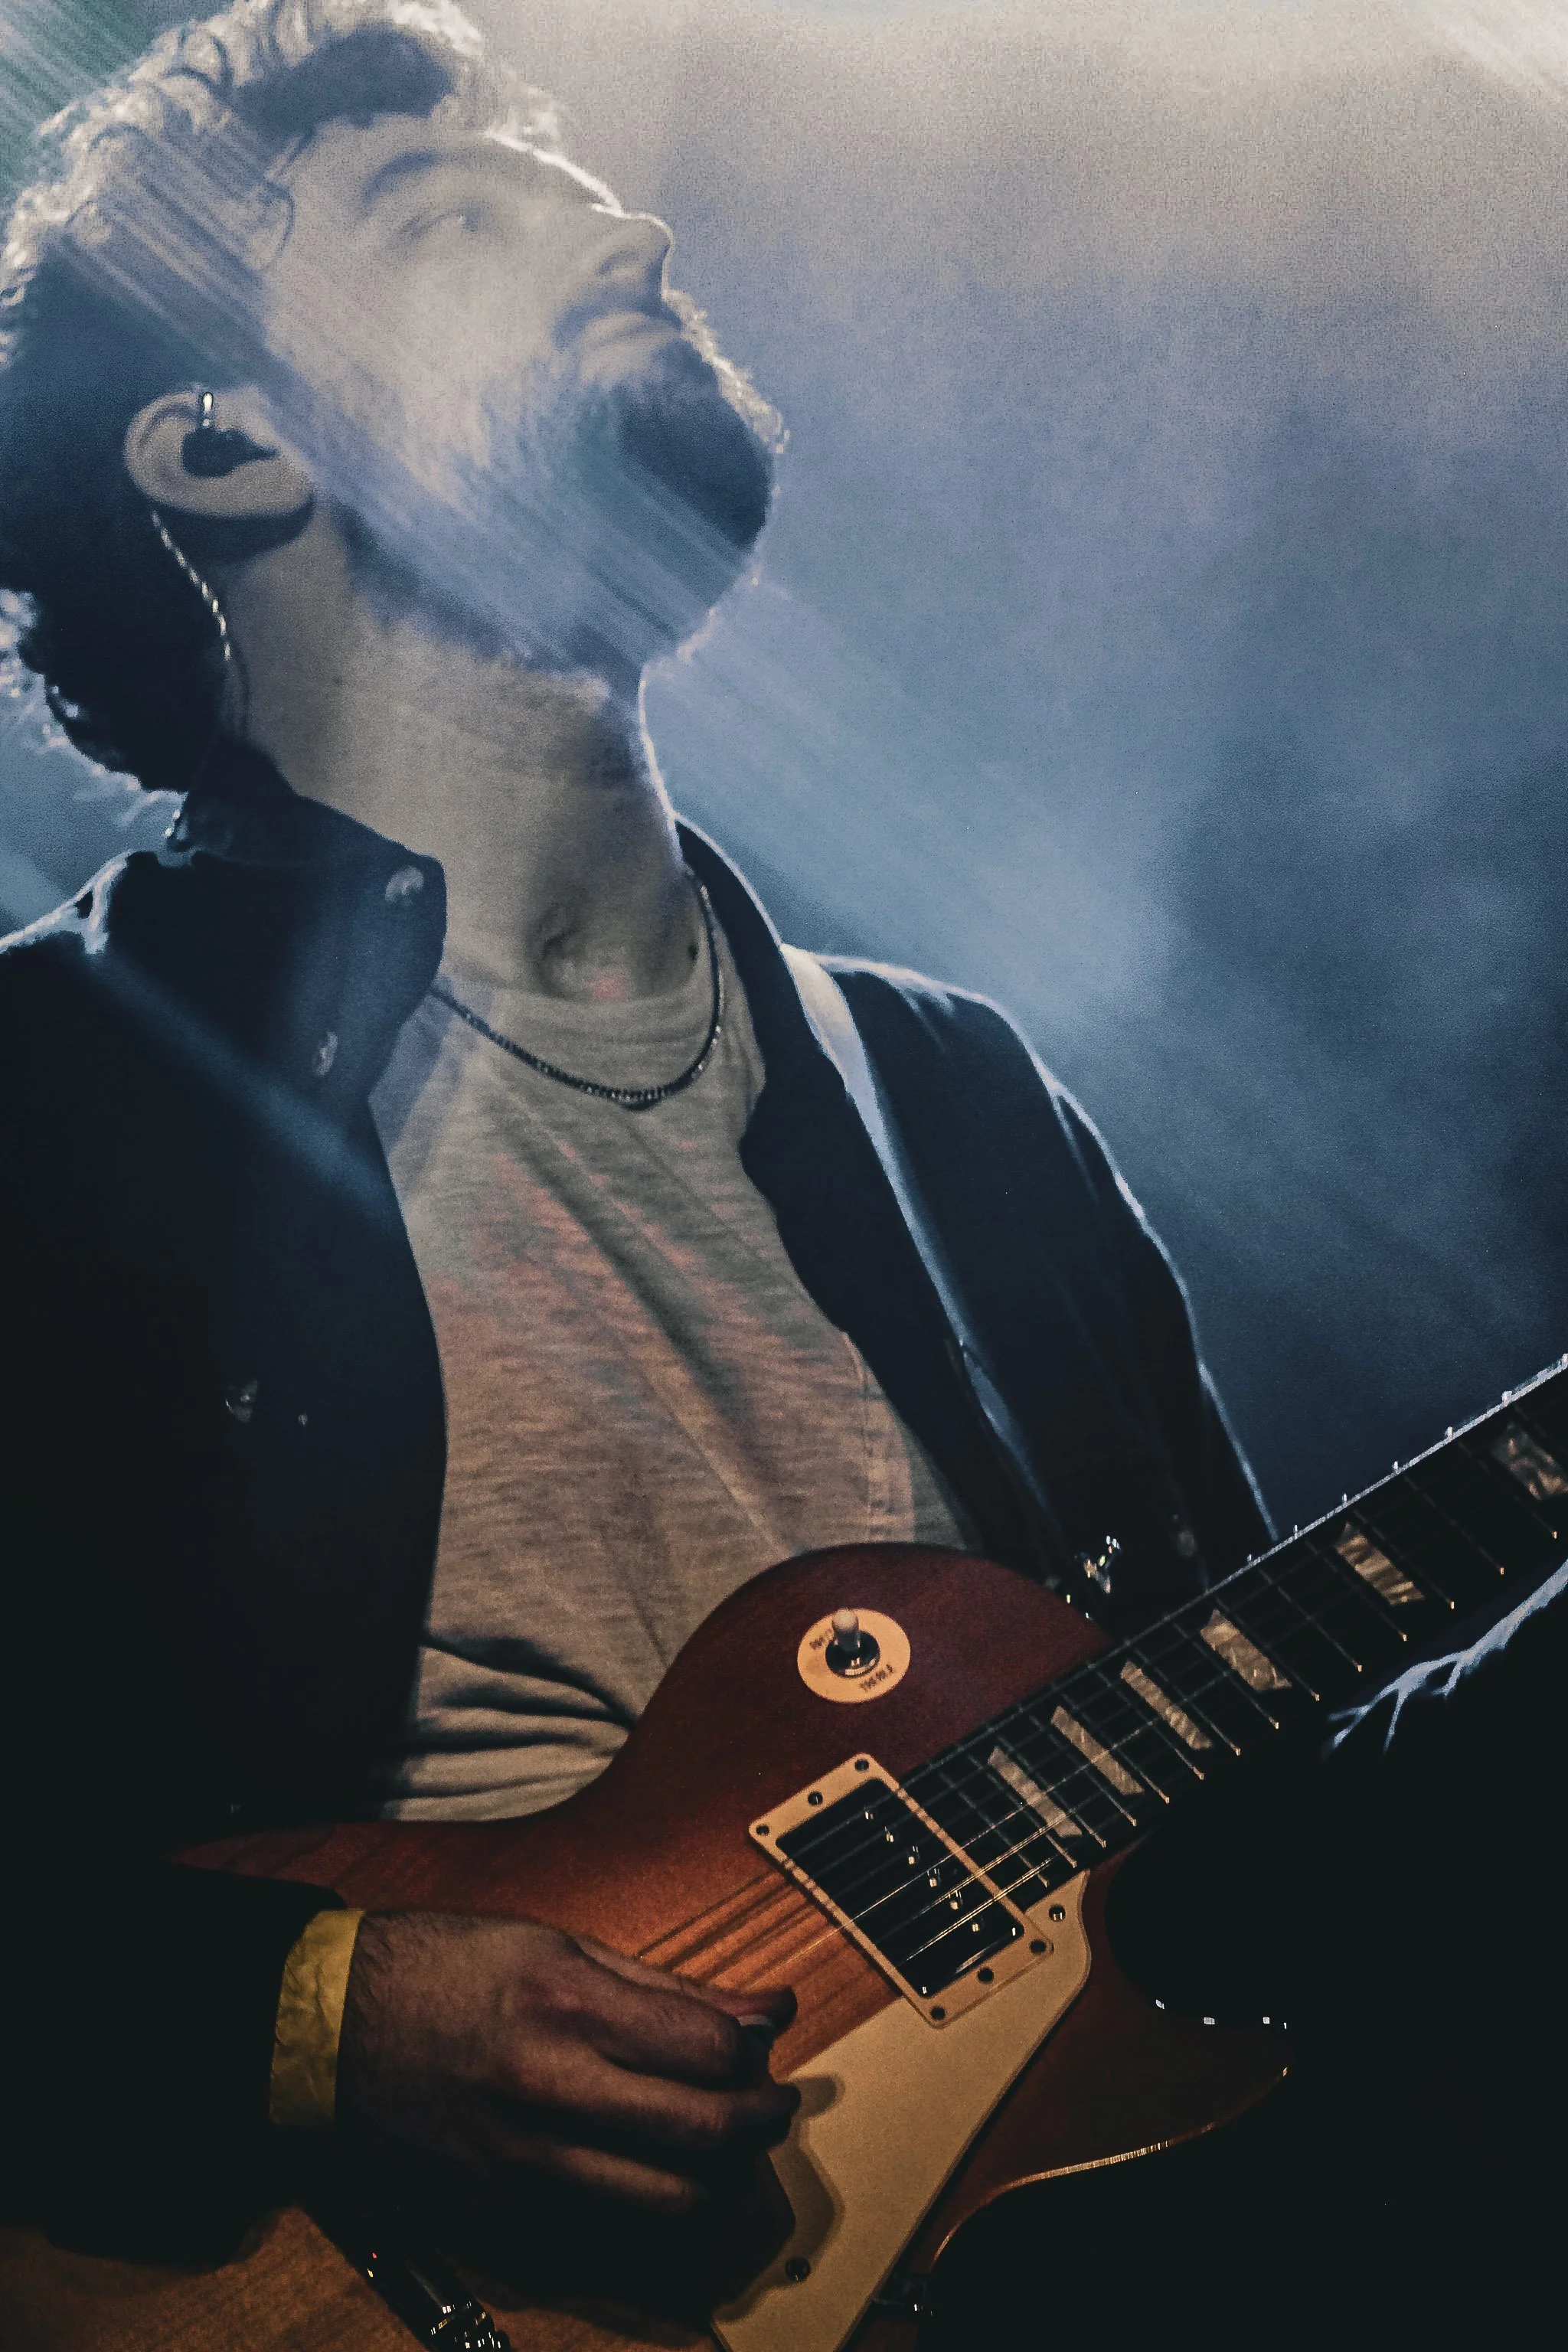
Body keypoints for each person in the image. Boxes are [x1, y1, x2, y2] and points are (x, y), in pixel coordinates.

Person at [0, 2, 1557, 2339]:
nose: (629, 221)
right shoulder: (53, 1095)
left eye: (578, 182)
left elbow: (1242, 1840)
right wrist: (325, 2019)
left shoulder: (955, 1102)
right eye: (451, 216)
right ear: (223, 446)